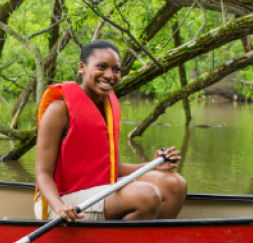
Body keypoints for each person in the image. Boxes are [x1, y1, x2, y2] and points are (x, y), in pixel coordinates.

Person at [35, 39, 187, 222]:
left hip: (100, 191)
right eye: (101, 67)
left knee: (175, 184)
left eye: (116, 69)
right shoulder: (58, 110)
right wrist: (60, 207)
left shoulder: (108, 107)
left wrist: (153, 165)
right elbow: (43, 173)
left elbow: (113, 168)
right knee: (146, 195)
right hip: (60, 201)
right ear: (82, 67)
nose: (110, 75)